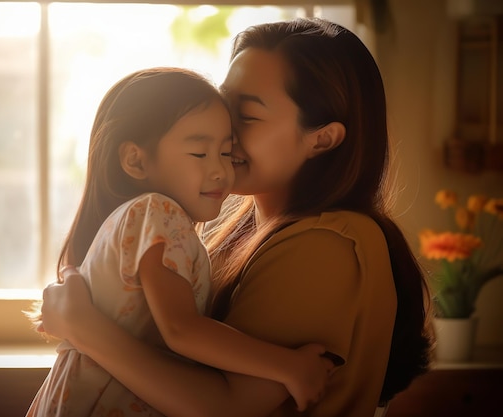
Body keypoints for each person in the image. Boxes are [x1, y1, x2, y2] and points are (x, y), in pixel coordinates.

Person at [38, 18, 434, 417]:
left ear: (322, 139)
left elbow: (227, 407)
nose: (223, 128)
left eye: (246, 115)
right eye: (224, 104)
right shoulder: (232, 227)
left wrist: (82, 328)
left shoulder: (324, 244)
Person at [26, 67, 336, 417]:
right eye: (200, 155)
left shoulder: (145, 221)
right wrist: (288, 366)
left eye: (225, 152)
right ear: (136, 160)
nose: (221, 170)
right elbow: (181, 329)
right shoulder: (158, 211)